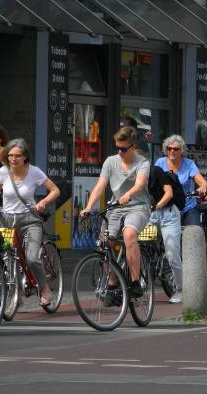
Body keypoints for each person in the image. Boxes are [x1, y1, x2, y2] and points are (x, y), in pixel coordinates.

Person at [0, 138, 60, 308]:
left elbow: (55, 190)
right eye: (10, 155)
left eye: (17, 156)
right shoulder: (3, 172)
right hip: (7, 221)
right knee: (9, 259)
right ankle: (15, 294)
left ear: (25, 156)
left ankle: (44, 288)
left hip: (29, 221)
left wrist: (43, 202)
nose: (13, 159)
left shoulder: (34, 172)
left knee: (32, 259)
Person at [81, 127, 151, 299]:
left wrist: (128, 194)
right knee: (105, 242)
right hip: (116, 207)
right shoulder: (110, 162)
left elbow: (140, 184)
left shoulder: (142, 163)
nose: (119, 152)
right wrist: (89, 207)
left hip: (138, 206)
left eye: (124, 149)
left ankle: (135, 282)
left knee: (129, 234)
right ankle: (112, 281)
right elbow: (100, 186)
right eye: (117, 148)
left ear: (133, 146)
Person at [154, 135, 207, 226]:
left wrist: (203, 187)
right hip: (166, 206)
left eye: (176, 149)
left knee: (195, 231)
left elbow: (203, 182)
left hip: (188, 207)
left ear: (181, 150)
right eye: (169, 148)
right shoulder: (160, 162)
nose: (172, 151)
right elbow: (153, 182)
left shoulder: (189, 164)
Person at [148, 164, 183, 303]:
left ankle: (180, 290)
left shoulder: (155, 170)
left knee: (172, 254)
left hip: (168, 215)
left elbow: (169, 193)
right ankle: (142, 278)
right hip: (149, 215)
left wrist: (156, 206)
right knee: (140, 245)